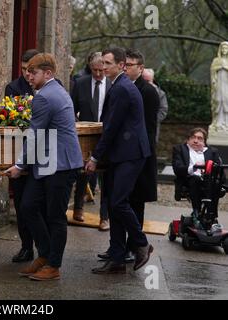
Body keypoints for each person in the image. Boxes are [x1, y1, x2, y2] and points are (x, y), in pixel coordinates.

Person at [6, 53, 83, 281]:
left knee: (55, 217)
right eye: (28, 72)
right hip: (48, 163)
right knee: (28, 206)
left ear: (48, 73)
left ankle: (54, 265)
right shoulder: (54, 91)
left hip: (60, 165)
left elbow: (35, 134)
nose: (29, 76)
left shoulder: (46, 96)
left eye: (34, 72)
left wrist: (19, 165)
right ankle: (45, 254)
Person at [85, 47, 153, 274]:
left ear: (121, 65)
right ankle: (116, 258)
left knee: (118, 202)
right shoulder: (119, 85)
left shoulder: (122, 88)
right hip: (121, 154)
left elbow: (111, 128)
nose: (103, 67)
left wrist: (94, 157)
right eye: (102, 63)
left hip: (130, 154)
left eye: (107, 63)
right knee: (114, 205)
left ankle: (141, 243)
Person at [123, 49, 160, 261]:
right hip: (129, 154)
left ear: (140, 68)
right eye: (125, 64)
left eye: (130, 64)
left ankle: (135, 246)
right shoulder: (125, 87)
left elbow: (146, 128)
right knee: (126, 200)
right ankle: (128, 246)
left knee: (136, 202)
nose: (126, 67)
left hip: (140, 155)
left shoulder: (147, 92)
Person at [4, 49, 39, 263]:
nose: (27, 74)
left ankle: (42, 247)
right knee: (20, 203)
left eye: (31, 70)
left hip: (42, 153)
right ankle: (26, 246)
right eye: (24, 69)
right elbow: (8, 120)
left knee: (37, 204)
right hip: (19, 151)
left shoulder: (50, 86)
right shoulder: (13, 87)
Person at [71, 51, 111, 230]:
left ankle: (104, 217)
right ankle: (78, 208)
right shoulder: (81, 83)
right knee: (83, 172)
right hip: (86, 134)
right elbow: (72, 108)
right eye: (94, 70)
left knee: (106, 177)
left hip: (106, 134)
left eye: (101, 70)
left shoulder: (112, 84)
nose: (97, 74)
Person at [172, 128, 223, 215]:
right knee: (195, 179)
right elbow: (177, 168)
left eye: (199, 138)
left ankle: (212, 216)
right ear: (188, 139)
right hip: (188, 179)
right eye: (193, 137)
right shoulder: (179, 149)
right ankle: (197, 212)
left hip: (208, 180)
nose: (196, 141)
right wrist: (193, 167)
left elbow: (218, 169)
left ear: (204, 142)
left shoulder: (212, 151)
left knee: (215, 183)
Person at [143, 68, 168, 143]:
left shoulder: (160, 94)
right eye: (144, 80)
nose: (146, 83)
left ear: (152, 79)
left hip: (152, 129)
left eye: (148, 81)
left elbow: (163, 110)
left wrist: (152, 120)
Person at [209, 41, 228, 132]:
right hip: (219, 85)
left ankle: (226, 123)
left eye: (226, 48)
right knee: (218, 101)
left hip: (226, 85)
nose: (224, 50)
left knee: (226, 101)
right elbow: (212, 70)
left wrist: (225, 68)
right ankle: (218, 123)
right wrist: (218, 67)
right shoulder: (216, 60)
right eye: (223, 48)